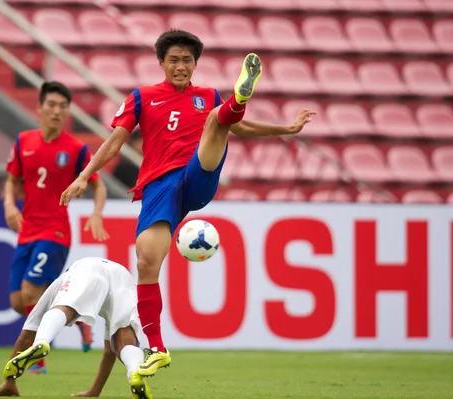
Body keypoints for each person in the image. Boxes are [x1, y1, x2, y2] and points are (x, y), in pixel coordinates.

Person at [60, 30, 315, 377]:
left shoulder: (206, 95)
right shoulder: (142, 97)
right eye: (174, 60)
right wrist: (83, 175)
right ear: (162, 63)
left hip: (197, 174)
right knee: (146, 262)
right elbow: (115, 141)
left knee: (217, 119)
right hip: (158, 187)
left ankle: (238, 99)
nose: (181, 67)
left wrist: (285, 129)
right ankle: (157, 349)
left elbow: (241, 128)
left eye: (187, 60)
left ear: (195, 63)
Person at [4, 81, 110, 372]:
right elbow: (12, 180)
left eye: (63, 106)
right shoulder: (23, 141)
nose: (57, 111)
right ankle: (75, 318)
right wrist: (9, 205)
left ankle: (37, 357)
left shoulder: (76, 149)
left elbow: (98, 186)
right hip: (27, 229)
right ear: (39, 108)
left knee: (29, 292)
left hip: (55, 231)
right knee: (18, 302)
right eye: (51, 104)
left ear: (68, 112)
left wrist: (97, 212)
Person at [0, 257, 151, 399]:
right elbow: (110, 352)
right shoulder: (118, 275)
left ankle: (42, 341)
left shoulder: (63, 280)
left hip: (86, 268)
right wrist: (94, 391)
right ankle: (134, 373)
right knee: (124, 340)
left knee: (65, 308)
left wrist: (9, 381)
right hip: (124, 277)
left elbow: (26, 336)